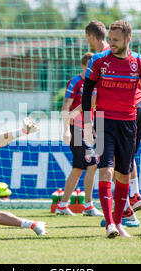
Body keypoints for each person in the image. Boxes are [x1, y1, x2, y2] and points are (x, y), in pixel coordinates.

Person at [81, 20, 141, 238]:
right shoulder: (99, 61)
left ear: (129, 39)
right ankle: (110, 223)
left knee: (123, 175)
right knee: (106, 170)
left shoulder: (140, 62)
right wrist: (88, 121)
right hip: (103, 121)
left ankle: (119, 223)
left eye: (116, 40)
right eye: (110, 39)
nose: (112, 43)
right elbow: (87, 90)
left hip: (128, 123)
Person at [85, 20, 141, 225]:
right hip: (123, 111)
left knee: (117, 163)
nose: (113, 43)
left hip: (126, 111)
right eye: (111, 39)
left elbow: (96, 92)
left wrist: (81, 112)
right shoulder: (107, 55)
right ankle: (132, 199)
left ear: (93, 37)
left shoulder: (102, 56)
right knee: (114, 164)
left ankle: (127, 207)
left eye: (87, 38)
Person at [57, 52, 102, 217]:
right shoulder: (76, 82)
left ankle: (62, 205)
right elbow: (65, 108)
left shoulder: (97, 82)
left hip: (89, 128)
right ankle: (89, 206)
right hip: (75, 128)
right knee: (92, 164)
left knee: (78, 168)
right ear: (84, 66)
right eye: (91, 66)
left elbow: (94, 106)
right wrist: (66, 130)